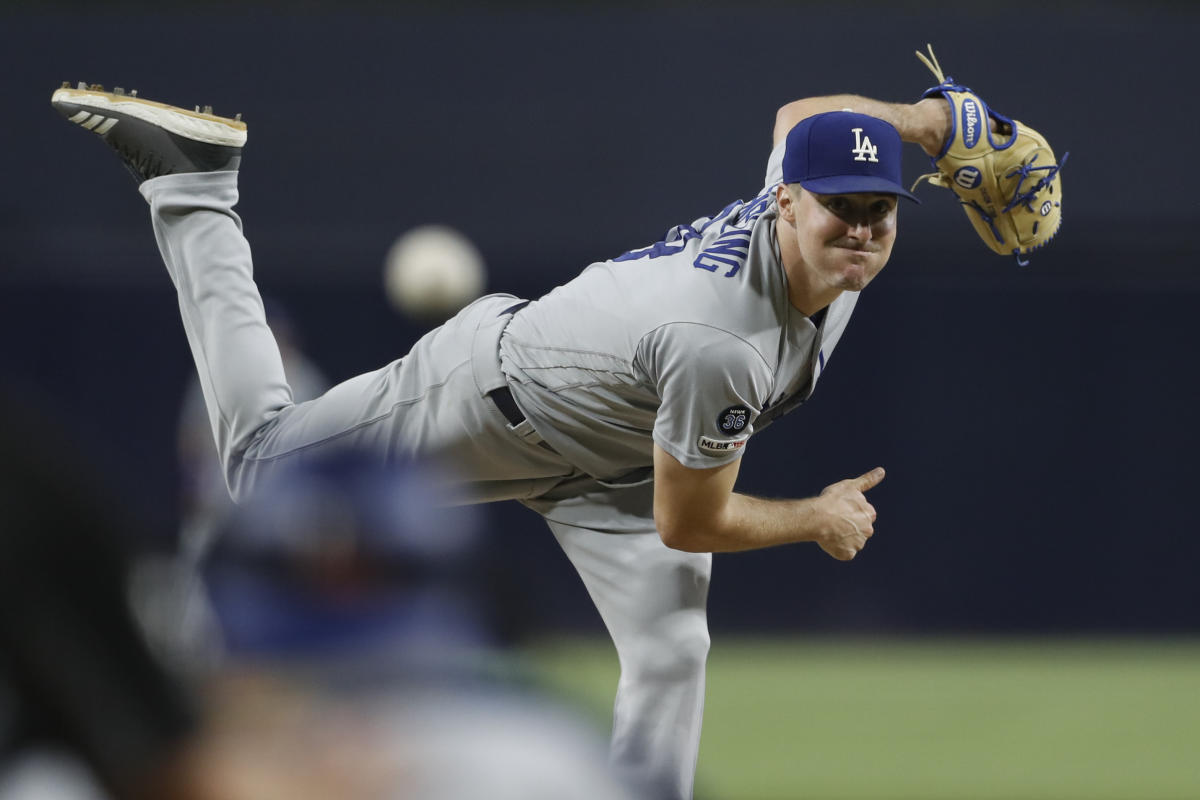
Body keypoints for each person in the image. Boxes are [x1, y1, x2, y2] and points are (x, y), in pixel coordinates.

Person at [51, 79, 952, 799]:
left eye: (881, 208)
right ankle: (196, 186)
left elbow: (804, 116)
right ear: (790, 203)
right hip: (494, 398)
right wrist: (817, 517)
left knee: (672, 647)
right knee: (256, 472)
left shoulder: (814, 232)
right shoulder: (722, 340)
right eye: (842, 207)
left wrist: (926, 125)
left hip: (615, 455)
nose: (864, 229)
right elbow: (691, 523)